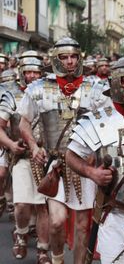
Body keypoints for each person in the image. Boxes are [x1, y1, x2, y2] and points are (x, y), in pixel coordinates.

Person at [66, 57, 124, 263]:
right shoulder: (97, 120)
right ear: (115, 85)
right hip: (114, 216)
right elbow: (71, 155)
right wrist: (92, 173)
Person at [17, 37, 98, 264]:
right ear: (55, 60)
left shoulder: (94, 88)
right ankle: (58, 259)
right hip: (55, 164)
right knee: (56, 221)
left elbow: (107, 121)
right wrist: (33, 146)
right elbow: (24, 123)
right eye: (64, 57)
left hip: (83, 164)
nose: (70, 62)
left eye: (74, 57)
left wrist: (97, 153)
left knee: (83, 225)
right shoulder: (38, 89)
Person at [0, 52, 51, 263]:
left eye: (35, 72)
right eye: (28, 71)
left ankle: (42, 249)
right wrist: (11, 144)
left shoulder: (50, 93)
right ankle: (21, 234)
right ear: (21, 73)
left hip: (47, 159)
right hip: (21, 158)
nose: (31, 76)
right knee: (21, 205)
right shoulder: (11, 95)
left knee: (42, 206)